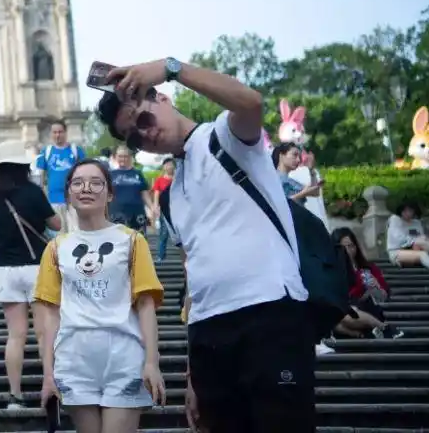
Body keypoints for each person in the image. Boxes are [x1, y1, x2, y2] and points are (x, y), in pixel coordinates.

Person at [97, 57, 315, 432]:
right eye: (133, 137)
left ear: (161, 99)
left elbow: (250, 103)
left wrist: (170, 67)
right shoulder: (169, 197)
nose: (144, 135)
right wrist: (191, 372)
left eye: (143, 120)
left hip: (269, 313)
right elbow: (192, 275)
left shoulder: (225, 137)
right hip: (209, 334)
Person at [35, 159, 165, 431]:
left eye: (96, 183)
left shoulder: (132, 241)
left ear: (109, 193)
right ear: (68, 192)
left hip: (124, 356)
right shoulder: (57, 248)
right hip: (74, 360)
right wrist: (48, 373)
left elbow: (145, 304)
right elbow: (48, 315)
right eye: (78, 183)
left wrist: (152, 362)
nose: (87, 189)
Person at [0, 140, 60, 409]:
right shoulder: (33, 192)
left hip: (5, 269)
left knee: (16, 335)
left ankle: (14, 395)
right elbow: (56, 224)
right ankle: (49, 386)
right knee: (44, 333)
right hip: (37, 267)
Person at [331, 227, 404, 339]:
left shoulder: (368, 269)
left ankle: (382, 327)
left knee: (344, 315)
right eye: (343, 248)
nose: (347, 251)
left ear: (356, 247)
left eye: (350, 246)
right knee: (333, 316)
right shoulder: (330, 271)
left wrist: (376, 288)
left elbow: (383, 297)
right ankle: (367, 333)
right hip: (344, 314)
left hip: (367, 311)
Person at [34, 120, 87, 232]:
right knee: (58, 235)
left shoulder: (76, 151)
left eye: (60, 132)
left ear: (65, 133)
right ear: (51, 134)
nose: (58, 135)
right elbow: (39, 177)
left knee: (77, 233)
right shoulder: (46, 152)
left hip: (74, 200)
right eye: (55, 132)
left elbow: (85, 173)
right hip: (54, 200)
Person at [107, 146, 150, 232]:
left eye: (125, 156)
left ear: (130, 157)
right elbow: (105, 194)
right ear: (116, 157)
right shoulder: (110, 174)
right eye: (120, 156)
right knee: (118, 241)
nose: (123, 159)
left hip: (137, 212)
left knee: (138, 241)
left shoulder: (137, 173)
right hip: (116, 212)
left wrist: (152, 207)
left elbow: (144, 193)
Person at [387, 201, 429, 271]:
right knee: (422, 254)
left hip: (414, 249)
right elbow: (399, 238)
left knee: (425, 241)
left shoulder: (416, 223)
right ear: (401, 211)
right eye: (405, 210)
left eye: (410, 211)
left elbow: (419, 236)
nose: (407, 213)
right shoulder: (395, 220)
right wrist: (415, 241)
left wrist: (421, 240)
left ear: (414, 211)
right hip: (397, 252)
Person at [151, 158, 175, 261]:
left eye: (171, 164)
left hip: (178, 209)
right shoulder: (160, 180)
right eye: (167, 164)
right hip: (165, 210)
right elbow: (156, 193)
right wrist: (155, 206)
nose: (169, 166)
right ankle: (161, 256)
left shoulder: (178, 178)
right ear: (164, 167)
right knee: (164, 233)